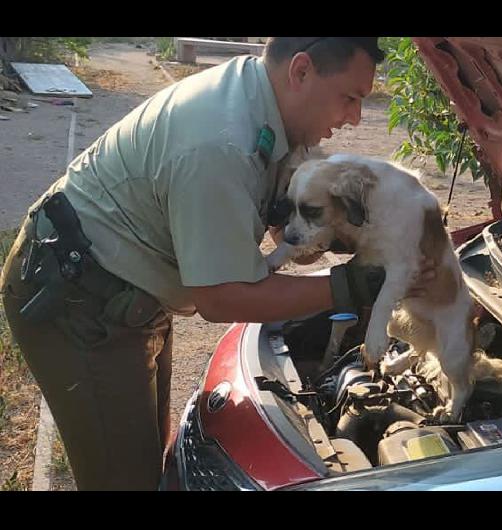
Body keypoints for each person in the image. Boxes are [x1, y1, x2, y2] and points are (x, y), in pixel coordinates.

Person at [0, 37, 434, 490]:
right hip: (77, 301)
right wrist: (353, 285)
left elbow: (282, 226)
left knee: (155, 458)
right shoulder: (219, 141)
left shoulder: (270, 107)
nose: (355, 118)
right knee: (125, 481)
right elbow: (223, 297)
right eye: (350, 98)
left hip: (126, 292)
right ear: (301, 71)